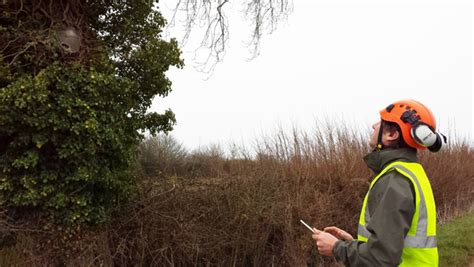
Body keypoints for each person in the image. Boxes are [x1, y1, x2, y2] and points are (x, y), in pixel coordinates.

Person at [311, 99, 445, 266]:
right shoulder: (411, 172)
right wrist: (352, 243)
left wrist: (337, 248)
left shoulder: (394, 179)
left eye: (380, 123)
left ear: (392, 134)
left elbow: (381, 258)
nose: (374, 126)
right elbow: (392, 244)